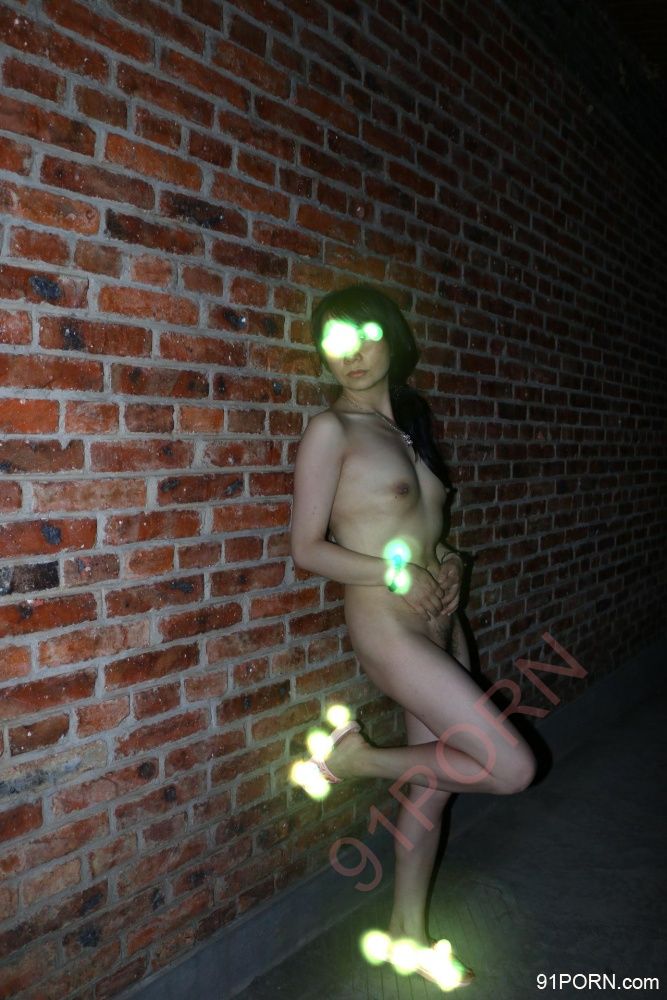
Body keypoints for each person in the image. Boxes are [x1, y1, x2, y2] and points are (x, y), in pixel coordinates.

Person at [289, 284, 537, 989]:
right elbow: (307, 548)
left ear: (392, 338)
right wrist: (394, 574)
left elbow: (425, 530)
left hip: (441, 620)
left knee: (431, 791)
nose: (352, 355)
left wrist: (450, 561)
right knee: (510, 767)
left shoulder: (411, 425)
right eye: (334, 342)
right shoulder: (330, 431)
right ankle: (354, 760)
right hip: (389, 623)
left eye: (365, 335)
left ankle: (408, 936)